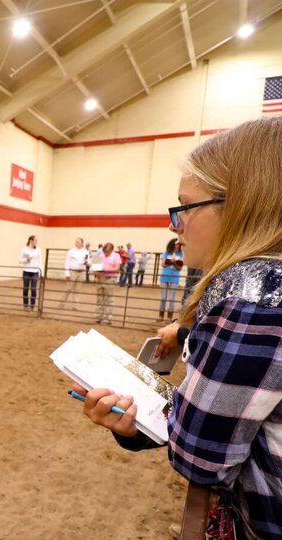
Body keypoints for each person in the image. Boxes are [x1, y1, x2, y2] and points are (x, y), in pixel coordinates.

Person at [72, 117, 282, 540]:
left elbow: (200, 457)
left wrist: (137, 409)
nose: (175, 225)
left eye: (185, 208)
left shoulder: (252, 299)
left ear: (240, 204)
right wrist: (188, 336)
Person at [93, 242, 121, 324]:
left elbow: (117, 269)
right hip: (100, 278)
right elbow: (95, 266)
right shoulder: (100, 255)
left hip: (110, 278)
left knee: (109, 298)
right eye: (105, 252)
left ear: (112, 250)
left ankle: (109, 317)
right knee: (99, 298)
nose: (106, 254)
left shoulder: (116, 256)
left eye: (108, 252)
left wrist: (105, 269)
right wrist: (95, 271)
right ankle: (98, 316)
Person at [158, 238, 184, 320]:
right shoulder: (166, 253)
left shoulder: (181, 254)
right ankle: (160, 315)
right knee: (163, 297)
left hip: (175, 277)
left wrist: (173, 262)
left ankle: (169, 317)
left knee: (172, 298)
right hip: (165, 276)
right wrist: (170, 261)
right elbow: (163, 264)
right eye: (176, 244)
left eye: (178, 244)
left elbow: (179, 268)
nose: (177, 246)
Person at [60, 237, 88, 310]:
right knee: (68, 288)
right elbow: (67, 262)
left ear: (82, 243)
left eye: (78, 242)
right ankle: (61, 303)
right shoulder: (71, 251)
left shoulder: (86, 252)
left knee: (77, 289)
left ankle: (76, 306)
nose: (77, 243)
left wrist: (87, 262)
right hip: (73, 271)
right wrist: (67, 273)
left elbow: (88, 262)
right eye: (76, 242)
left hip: (82, 271)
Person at [19, 235, 42, 311]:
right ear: (31, 241)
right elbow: (20, 260)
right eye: (35, 240)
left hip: (35, 271)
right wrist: (26, 260)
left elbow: (40, 261)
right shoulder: (24, 249)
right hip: (26, 271)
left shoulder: (38, 250)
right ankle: (25, 304)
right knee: (25, 288)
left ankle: (32, 305)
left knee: (33, 288)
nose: (36, 242)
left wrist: (41, 272)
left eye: (36, 240)